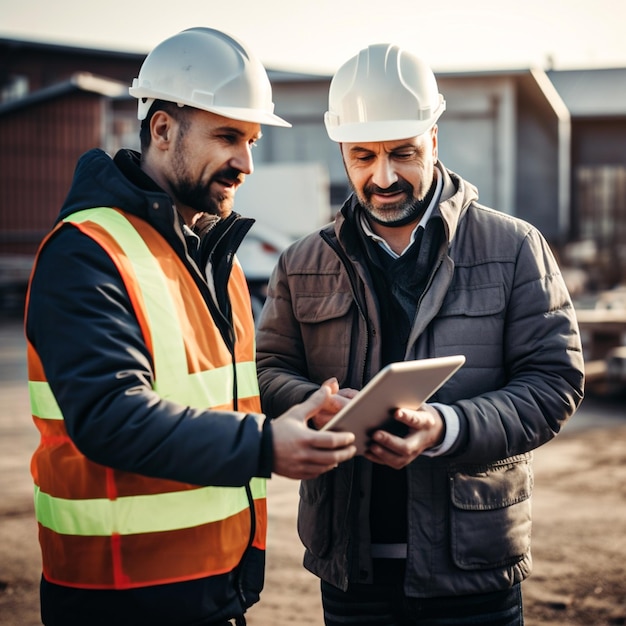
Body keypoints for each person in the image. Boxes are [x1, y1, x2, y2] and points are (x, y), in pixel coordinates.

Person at [25, 27, 356, 626]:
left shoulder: (213, 258)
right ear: (162, 130)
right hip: (119, 599)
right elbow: (109, 415)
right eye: (228, 136)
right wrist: (265, 446)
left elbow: (219, 398)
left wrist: (299, 410)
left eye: (252, 140)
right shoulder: (86, 252)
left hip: (214, 591)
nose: (246, 162)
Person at [255, 43, 585, 626]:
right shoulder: (301, 262)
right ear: (342, 152)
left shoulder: (513, 250)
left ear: (434, 139)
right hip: (350, 568)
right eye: (362, 156)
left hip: (472, 570)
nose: (383, 178)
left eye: (402, 153)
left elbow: (554, 383)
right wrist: (316, 404)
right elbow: (265, 370)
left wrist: (446, 427)